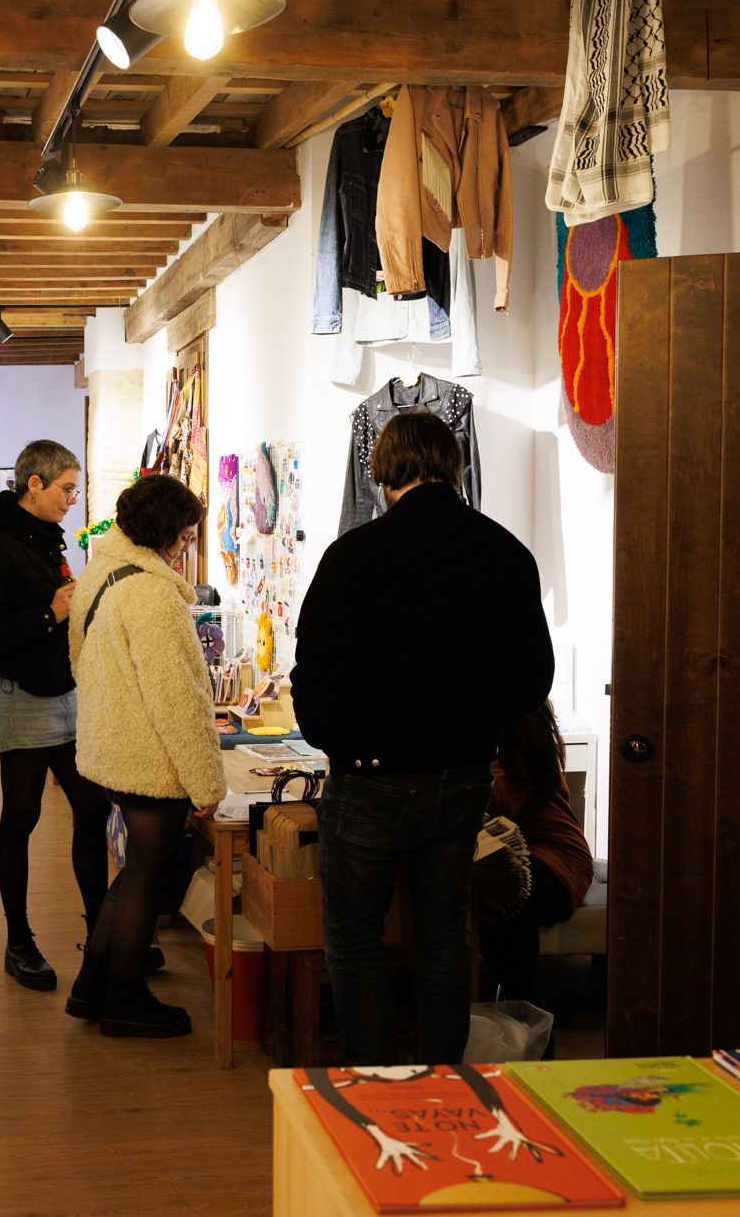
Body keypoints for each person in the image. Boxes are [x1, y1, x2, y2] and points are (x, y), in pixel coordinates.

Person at [291, 409, 553, 1065]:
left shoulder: (354, 555)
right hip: (461, 773)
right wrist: (476, 726)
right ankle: (441, 1076)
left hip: (370, 774)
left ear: (381, 472)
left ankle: (377, 1078)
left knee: (355, 936)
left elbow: (316, 673)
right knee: (443, 931)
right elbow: (532, 679)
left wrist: (334, 740)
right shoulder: (504, 552)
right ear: (454, 465)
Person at [65, 475, 225, 1038]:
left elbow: (79, 659)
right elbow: (178, 698)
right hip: (148, 757)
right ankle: (124, 998)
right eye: (183, 536)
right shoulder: (154, 594)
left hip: (111, 746)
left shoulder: (102, 571)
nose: (185, 547)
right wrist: (206, 784)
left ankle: (92, 986)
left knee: (134, 871)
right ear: (165, 531)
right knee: (146, 877)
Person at [0, 440, 109, 991]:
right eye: (67, 488)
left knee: (92, 810)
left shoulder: (43, 540)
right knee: (21, 820)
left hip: (65, 693)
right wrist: (51, 612)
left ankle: (104, 934)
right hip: (22, 698)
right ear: (35, 484)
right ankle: (18, 941)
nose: (74, 498)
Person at [478, 702, 595, 1007]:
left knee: (508, 892)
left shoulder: (517, 751)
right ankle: (517, 1006)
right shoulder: (516, 735)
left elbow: (496, 801)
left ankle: (520, 1007)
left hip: (559, 860)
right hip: (540, 855)